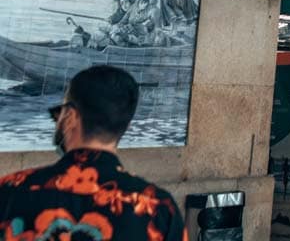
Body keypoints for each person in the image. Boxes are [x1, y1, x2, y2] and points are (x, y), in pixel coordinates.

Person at [0, 65, 184, 239]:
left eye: (59, 111)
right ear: (126, 126)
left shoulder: (11, 191)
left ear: (70, 116)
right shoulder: (157, 208)